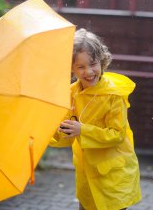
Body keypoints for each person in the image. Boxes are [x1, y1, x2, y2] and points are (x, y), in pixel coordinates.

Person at [49, 28, 142, 210]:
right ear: (71, 68)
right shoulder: (71, 93)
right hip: (87, 171)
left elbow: (117, 134)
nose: (89, 72)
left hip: (111, 174)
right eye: (80, 67)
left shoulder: (113, 95)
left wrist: (82, 130)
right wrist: (55, 131)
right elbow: (65, 132)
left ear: (102, 60)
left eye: (93, 64)